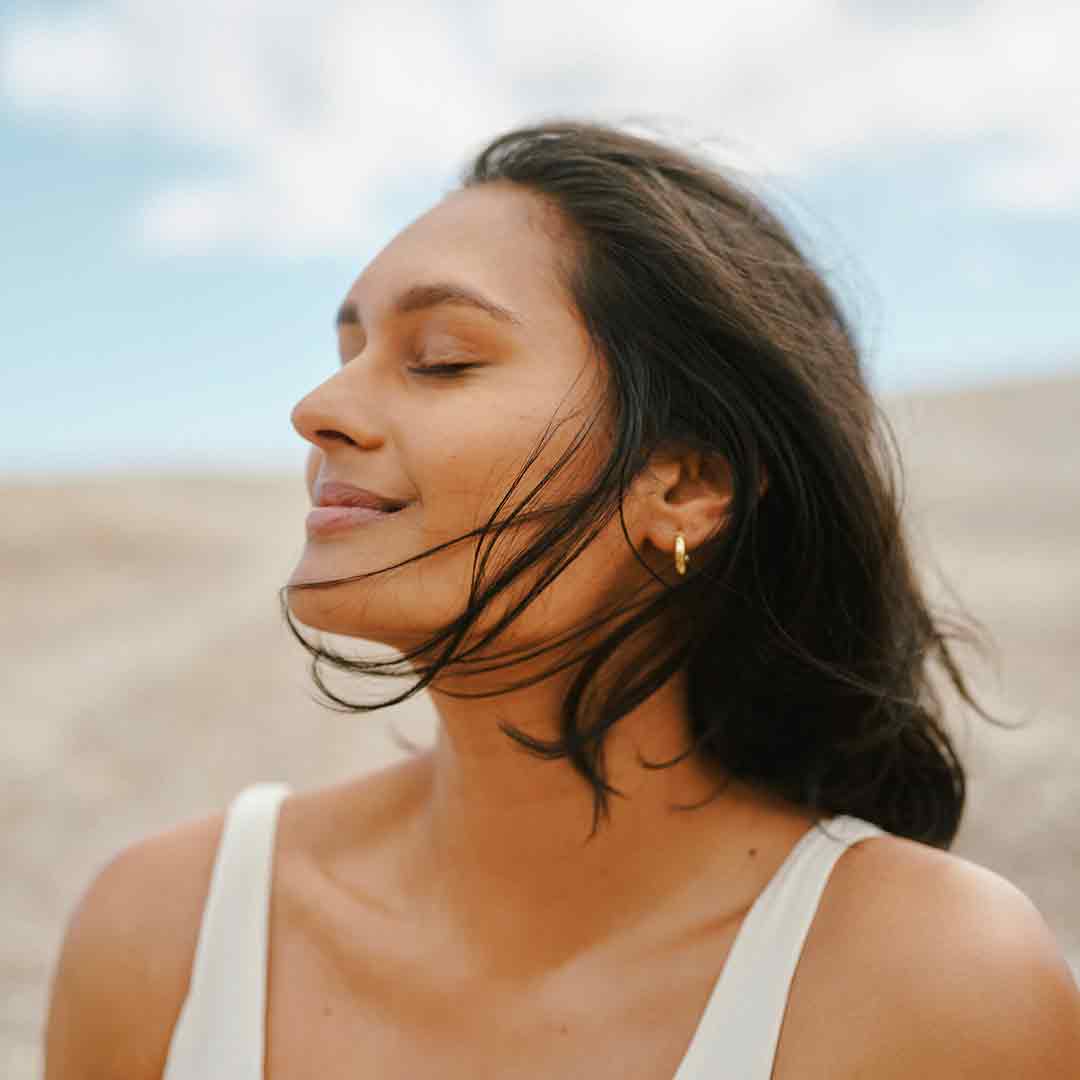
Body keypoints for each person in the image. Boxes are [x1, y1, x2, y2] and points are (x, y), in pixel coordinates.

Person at [45, 120, 1080, 1078]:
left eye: (441, 361)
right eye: (348, 353)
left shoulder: (937, 984)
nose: (318, 409)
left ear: (685, 484)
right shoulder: (167, 930)